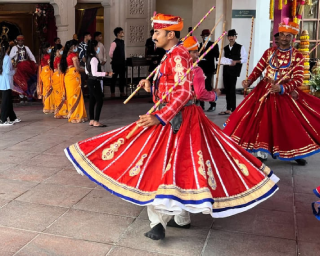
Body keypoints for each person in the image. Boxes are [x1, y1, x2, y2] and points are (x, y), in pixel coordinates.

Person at [65, 13, 278, 242]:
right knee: (179, 166)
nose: (153, 36)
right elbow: (172, 88)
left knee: (158, 165)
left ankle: (158, 222)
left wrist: (161, 117)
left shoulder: (177, 54)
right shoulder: (173, 54)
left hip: (175, 119)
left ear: (170, 34)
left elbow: (185, 92)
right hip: (177, 116)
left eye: (156, 32)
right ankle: (181, 218)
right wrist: (150, 86)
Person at [224, 19, 320, 166]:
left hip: (284, 95)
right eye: (282, 34)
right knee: (260, 121)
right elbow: (258, 69)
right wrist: (249, 81)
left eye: (288, 35)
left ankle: (294, 152)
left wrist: (283, 88)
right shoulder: (269, 52)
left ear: (292, 38)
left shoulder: (297, 56)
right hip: (264, 91)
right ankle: (261, 151)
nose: (284, 38)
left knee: (288, 125)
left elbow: (298, 79)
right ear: (278, 35)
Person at [184, 36, 220, 105]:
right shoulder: (196, 70)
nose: (198, 54)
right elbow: (200, 94)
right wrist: (214, 95)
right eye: (195, 52)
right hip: (188, 108)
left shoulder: (174, 66)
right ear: (187, 54)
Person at [219, 29, 247, 115]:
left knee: (232, 89)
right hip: (226, 70)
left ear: (236, 37)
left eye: (233, 36)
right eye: (230, 36)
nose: (231, 38)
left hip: (234, 71)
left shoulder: (240, 47)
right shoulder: (225, 48)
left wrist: (236, 61)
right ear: (228, 37)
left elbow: (244, 59)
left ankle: (233, 108)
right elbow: (222, 58)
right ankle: (228, 108)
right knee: (227, 89)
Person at [86, 39, 112, 127]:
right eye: (97, 46)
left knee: (92, 100)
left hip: (90, 80)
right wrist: (106, 73)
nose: (98, 48)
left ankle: (92, 120)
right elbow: (94, 73)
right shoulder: (94, 58)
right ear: (94, 47)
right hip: (94, 81)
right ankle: (96, 120)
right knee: (99, 100)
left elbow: (87, 71)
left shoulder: (88, 57)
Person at [60, 40, 88, 123]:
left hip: (68, 76)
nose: (77, 48)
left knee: (71, 95)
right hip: (73, 76)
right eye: (76, 46)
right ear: (72, 47)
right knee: (76, 95)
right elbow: (77, 68)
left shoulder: (66, 55)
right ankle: (77, 116)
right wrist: (87, 70)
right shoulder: (73, 56)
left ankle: (72, 114)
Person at [0, 39, 18, 126]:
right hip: (6, 82)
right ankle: (3, 120)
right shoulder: (7, 58)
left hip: (2, 82)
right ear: (8, 49)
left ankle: (13, 118)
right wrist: (14, 71)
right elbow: (8, 71)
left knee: (8, 100)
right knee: (5, 101)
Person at [198, 29, 220, 112]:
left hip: (209, 68)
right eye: (204, 36)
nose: (206, 37)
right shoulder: (199, 45)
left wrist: (216, 68)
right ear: (202, 37)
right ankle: (201, 105)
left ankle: (212, 104)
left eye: (208, 36)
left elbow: (217, 57)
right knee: (200, 87)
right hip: (200, 68)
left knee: (208, 86)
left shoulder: (213, 45)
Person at [51, 44, 68, 119]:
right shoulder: (58, 59)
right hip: (58, 77)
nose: (62, 51)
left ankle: (58, 111)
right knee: (60, 94)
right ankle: (62, 112)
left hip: (55, 77)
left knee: (57, 95)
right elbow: (59, 70)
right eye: (61, 50)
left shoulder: (55, 58)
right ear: (57, 51)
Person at [37, 42, 54, 114]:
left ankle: (47, 106)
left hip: (44, 72)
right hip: (47, 72)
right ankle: (48, 107)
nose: (50, 49)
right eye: (49, 48)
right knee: (49, 88)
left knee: (46, 88)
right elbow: (50, 65)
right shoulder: (47, 56)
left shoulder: (42, 55)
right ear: (47, 49)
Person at [109, 27, 126, 98]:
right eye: (122, 32)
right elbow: (110, 53)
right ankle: (112, 92)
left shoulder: (122, 42)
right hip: (116, 63)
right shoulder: (114, 43)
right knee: (114, 77)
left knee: (122, 77)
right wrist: (115, 59)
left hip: (122, 63)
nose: (123, 33)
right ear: (118, 33)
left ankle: (122, 91)